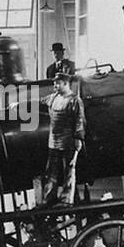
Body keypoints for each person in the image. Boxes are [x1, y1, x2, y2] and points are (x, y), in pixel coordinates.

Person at [40, 72, 85, 206]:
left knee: (68, 171)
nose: (55, 86)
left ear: (66, 84)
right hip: (53, 141)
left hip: (69, 141)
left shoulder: (75, 100)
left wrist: (78, 138)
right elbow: (39, 101)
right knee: (51, 171)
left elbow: (80, 121)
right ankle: (49, 197)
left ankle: (66, 199)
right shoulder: (53, 98)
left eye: (57, 83)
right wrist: (20, 104)